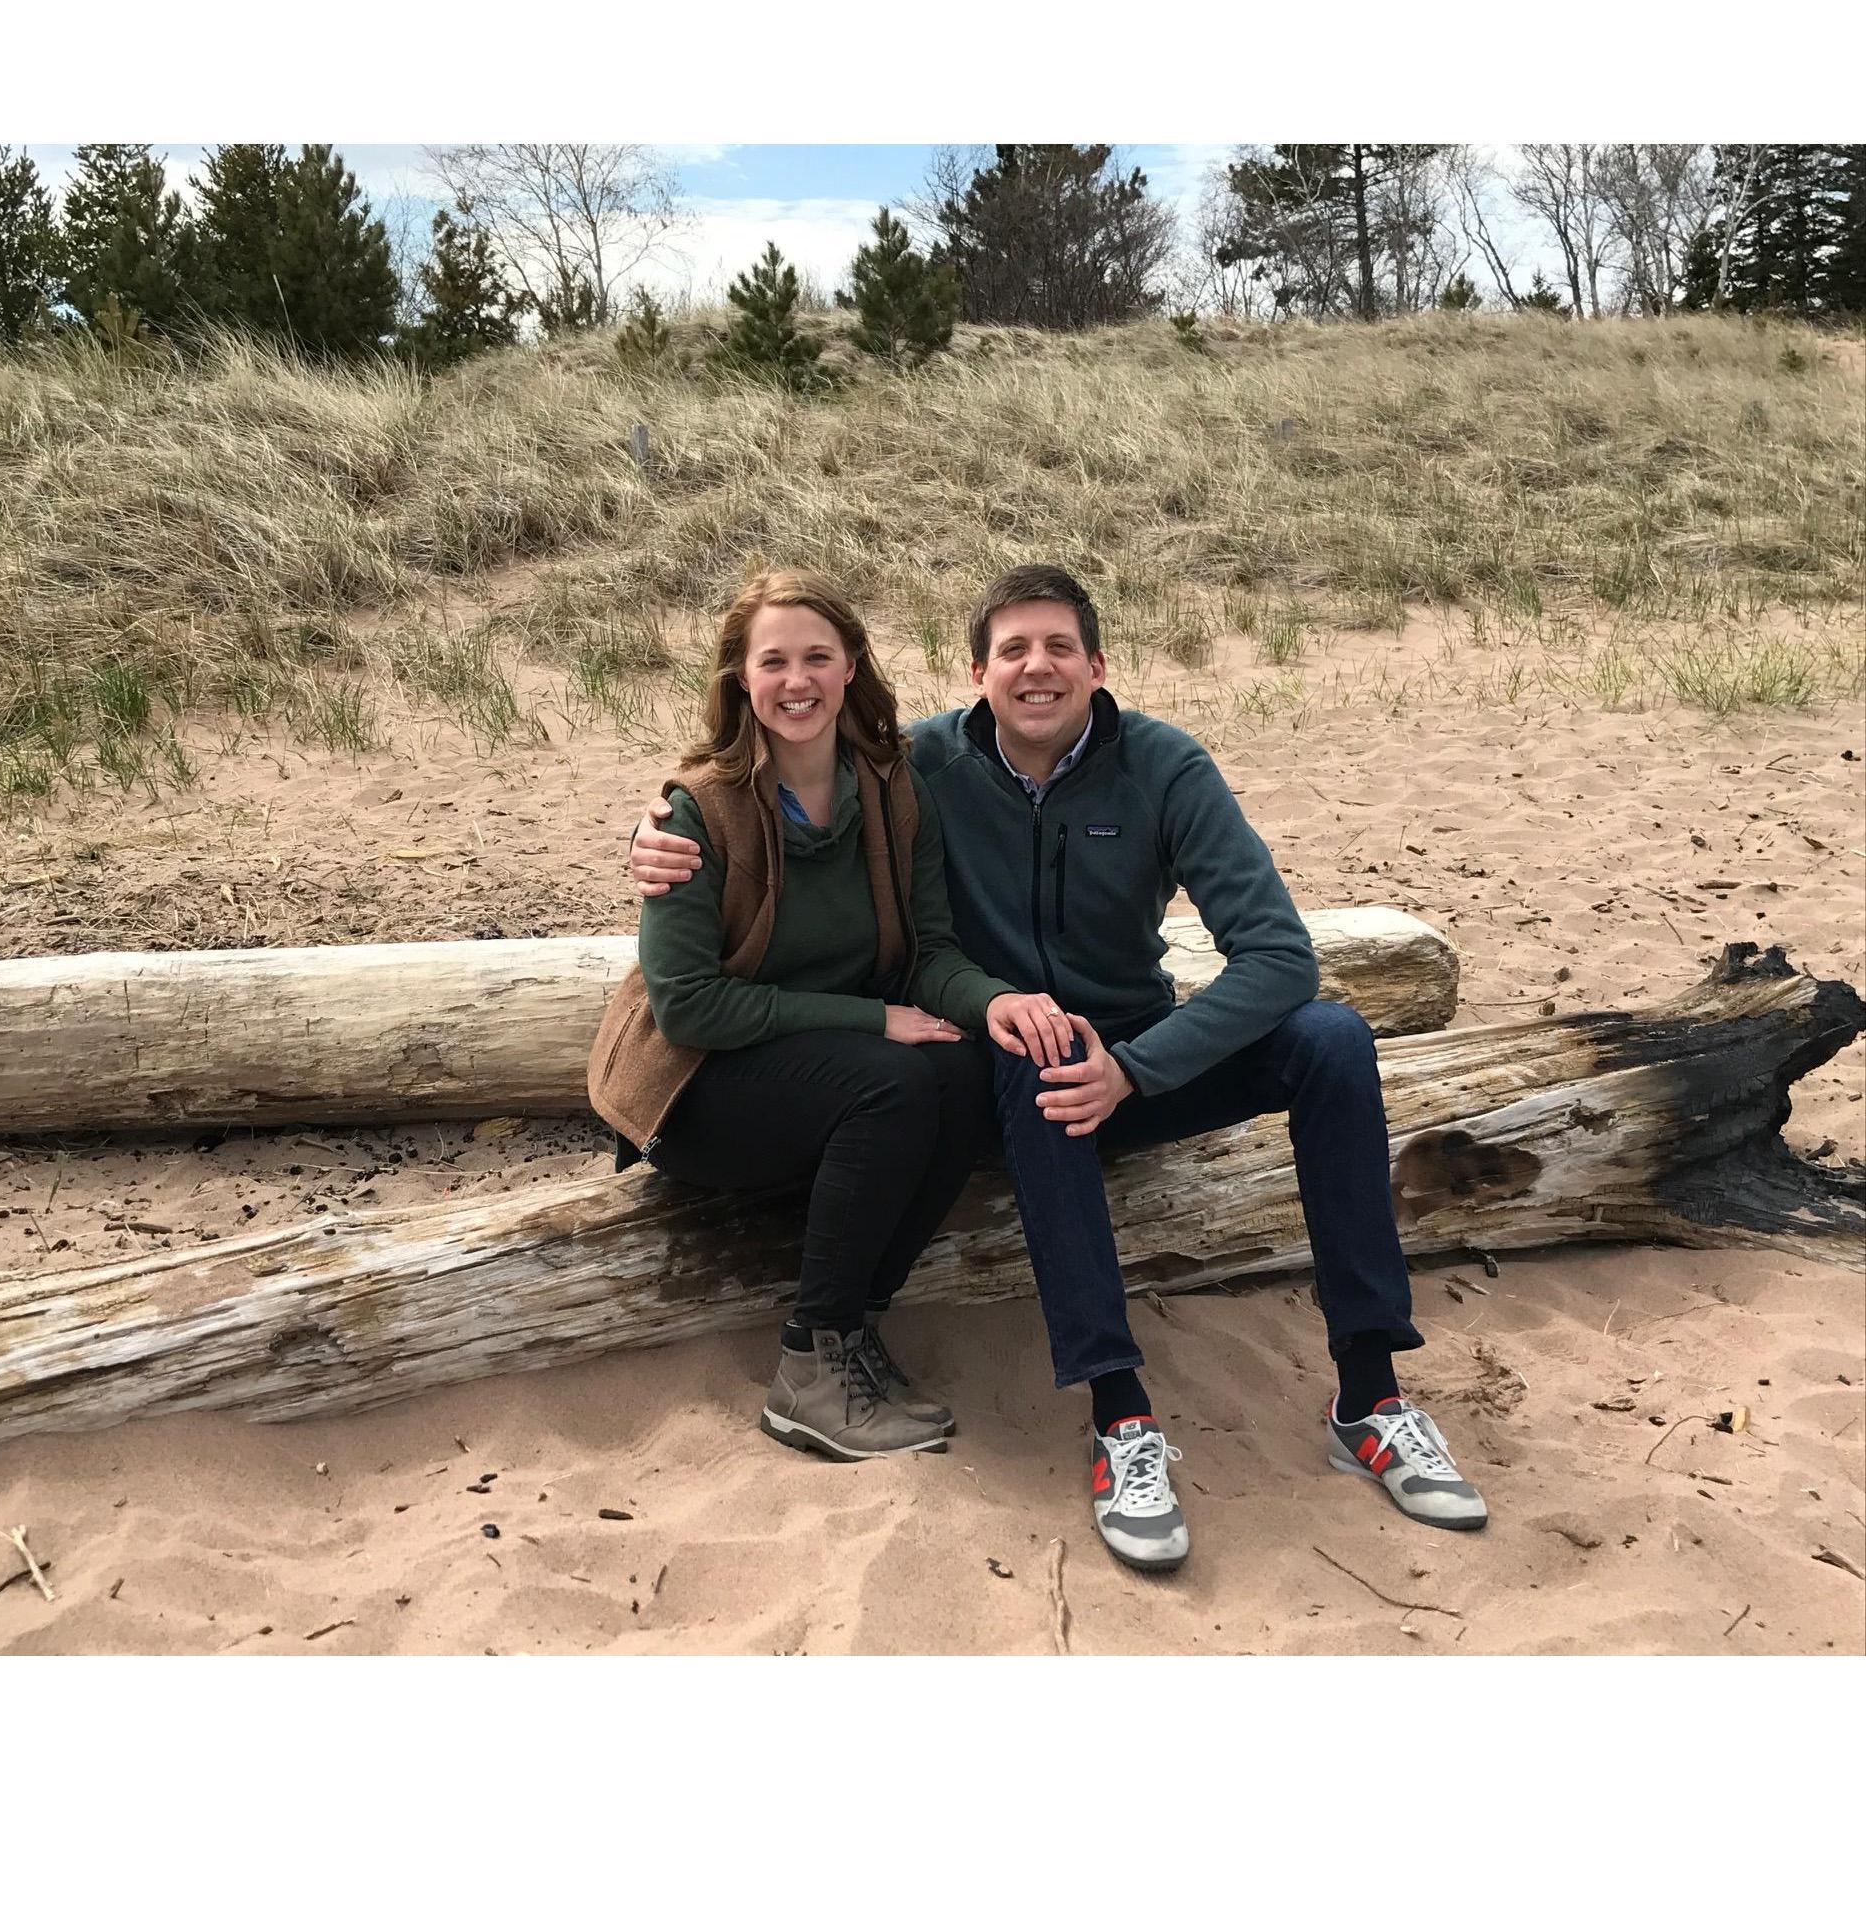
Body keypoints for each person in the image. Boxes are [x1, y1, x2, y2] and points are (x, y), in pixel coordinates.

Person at [629, 563, 1488, 1571]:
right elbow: (759, 777)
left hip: (1141, 1056)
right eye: (1013, 651)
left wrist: (1140, 1068)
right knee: (1041, 1056)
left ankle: (1372, 1395)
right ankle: (1121, 1417)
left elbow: (1281, 958)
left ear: (1097, 666)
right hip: (1003, 1062)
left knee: (1334, 1039)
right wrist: (654, 832)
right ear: (979, 674)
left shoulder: (1163, 767)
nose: (1037, 668)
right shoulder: (924, 766)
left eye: (1059, 648)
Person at [589, 567, 1076, 1464]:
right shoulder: (697, 809)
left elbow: (930, 954)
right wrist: (870, 1020)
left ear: (852, 665)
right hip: (695, 1087)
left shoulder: (891, 790)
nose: (797, 680)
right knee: (891, 1080)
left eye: (818, 656)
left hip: (817, 1068)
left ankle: (853, 1330)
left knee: (967, 1067)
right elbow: (688, 1007)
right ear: (742, 677)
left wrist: (997, 1002)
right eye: (773, 661)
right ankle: (808, 1370)